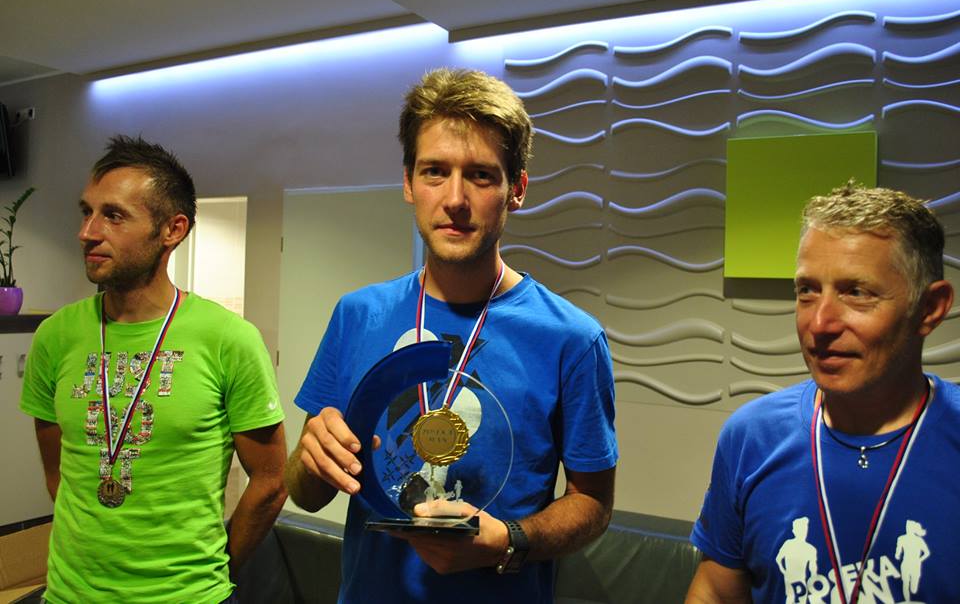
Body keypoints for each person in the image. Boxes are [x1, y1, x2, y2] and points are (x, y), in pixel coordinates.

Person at [285, 67, 618, 603]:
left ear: (517, 189)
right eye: (435, 171)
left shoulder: (573, 339)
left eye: (481, 175)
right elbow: (307, 493)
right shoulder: (357, 315)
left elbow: (594, 503)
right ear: (408, 183)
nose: (455, 198)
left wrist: (509, 541)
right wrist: (310, 459)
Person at [20, 135, 287, 603]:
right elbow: (58, 472)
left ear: (172, 230)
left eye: (114, 215)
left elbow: (270, 481)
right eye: (87, 212)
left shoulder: (228, 339)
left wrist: (217, 571)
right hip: (69, 595)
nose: (88, 232)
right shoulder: (55, 336)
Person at [686, 183, 957, 603]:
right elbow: (716, 592)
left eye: (857, 292)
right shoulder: (752, 437)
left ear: (929, 308)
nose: (820, 324)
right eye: (807, 291)